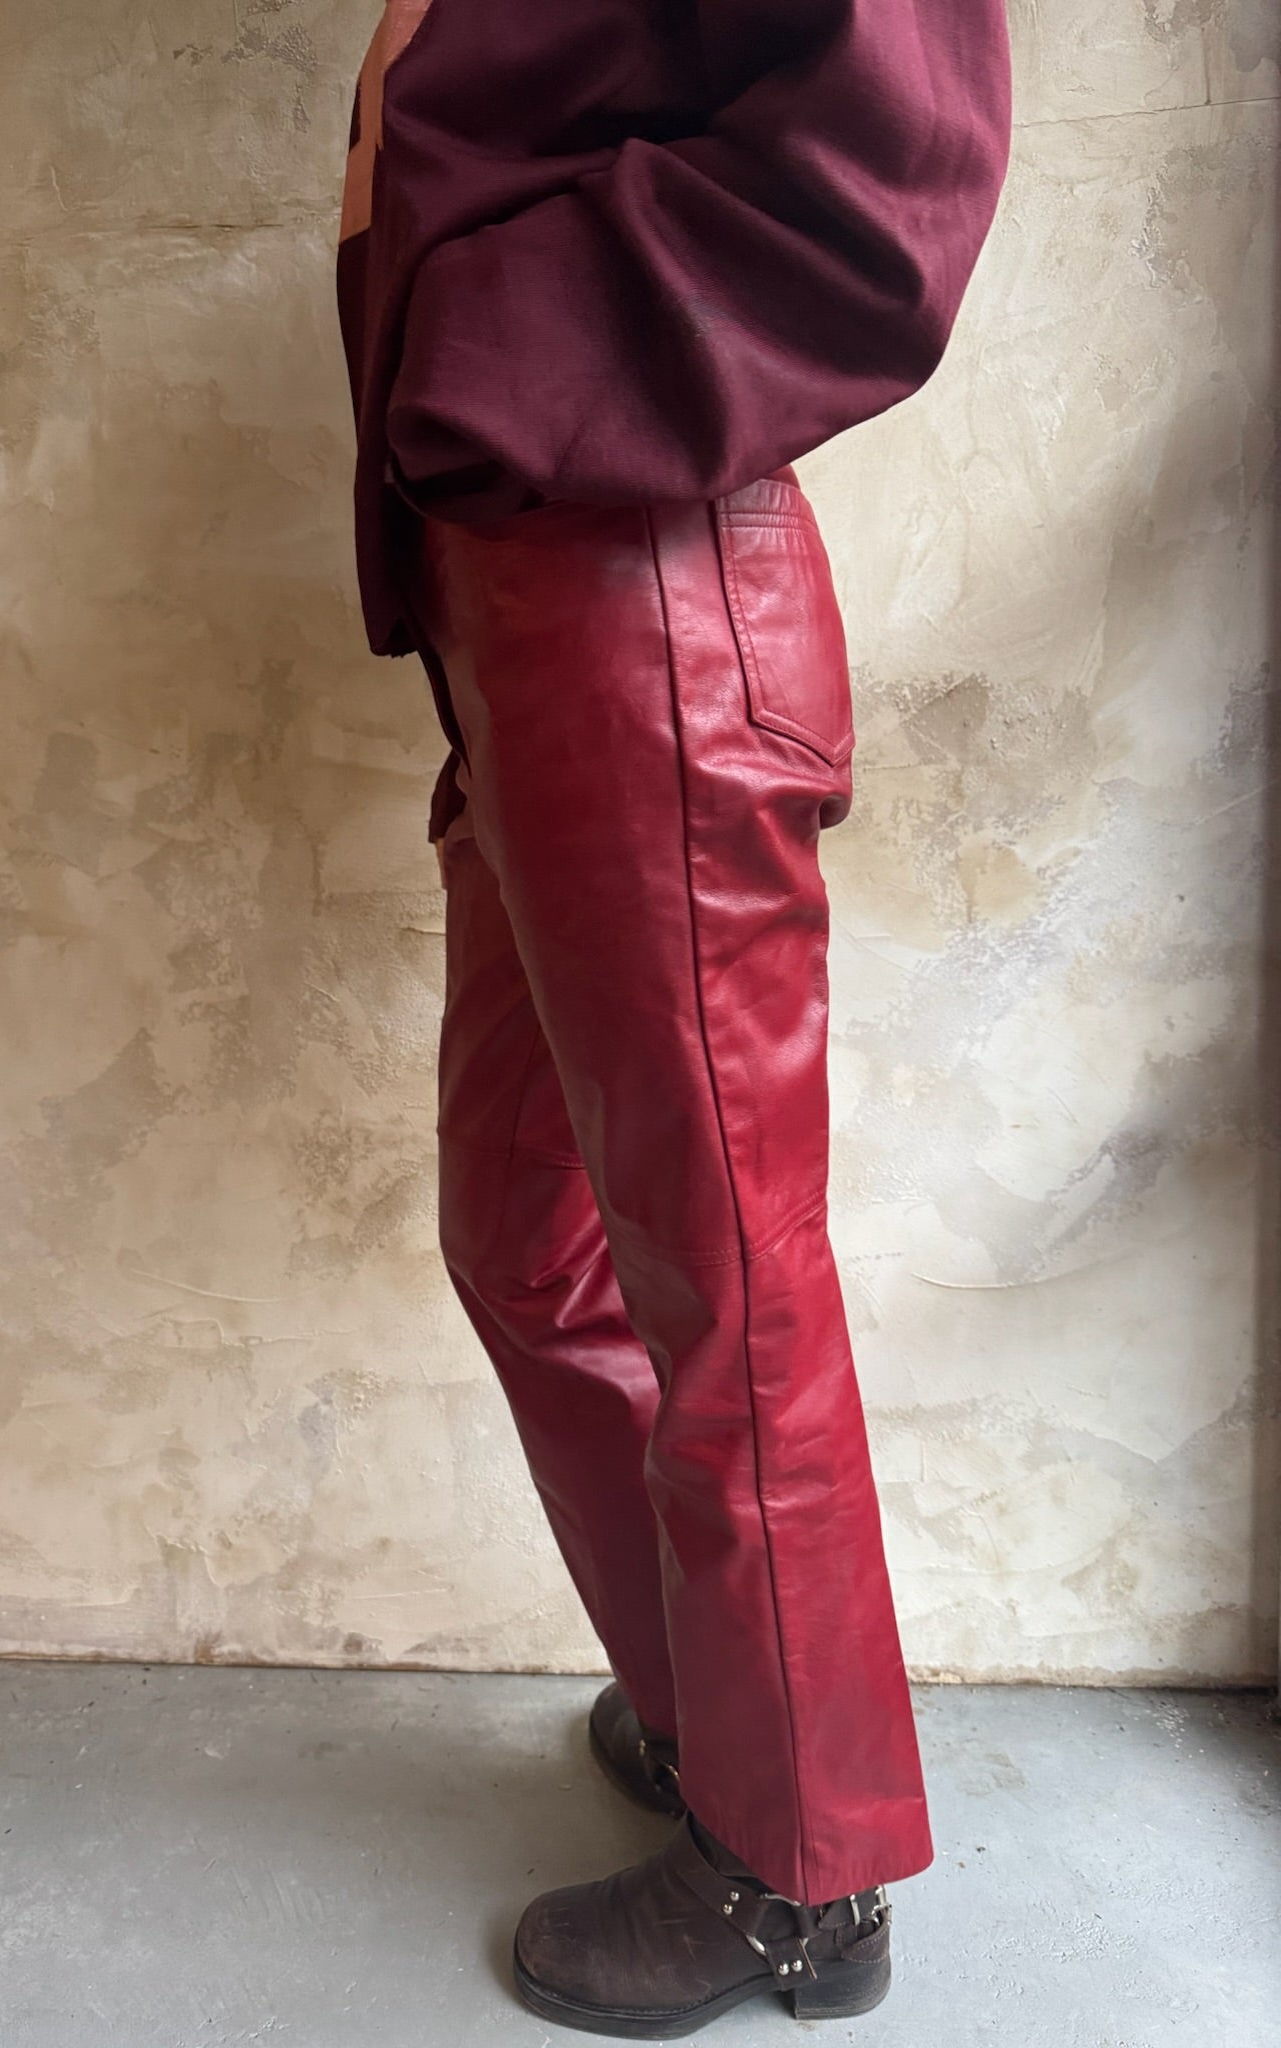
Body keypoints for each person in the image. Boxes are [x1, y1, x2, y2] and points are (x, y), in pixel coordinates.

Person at [336, 3, 1012, 2031]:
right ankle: (736, 1721)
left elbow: (885, 179)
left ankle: (801, 1877)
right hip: (532, 595)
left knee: (727, 1278)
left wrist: (483, 346)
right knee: (526, 1239)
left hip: (638, 591)